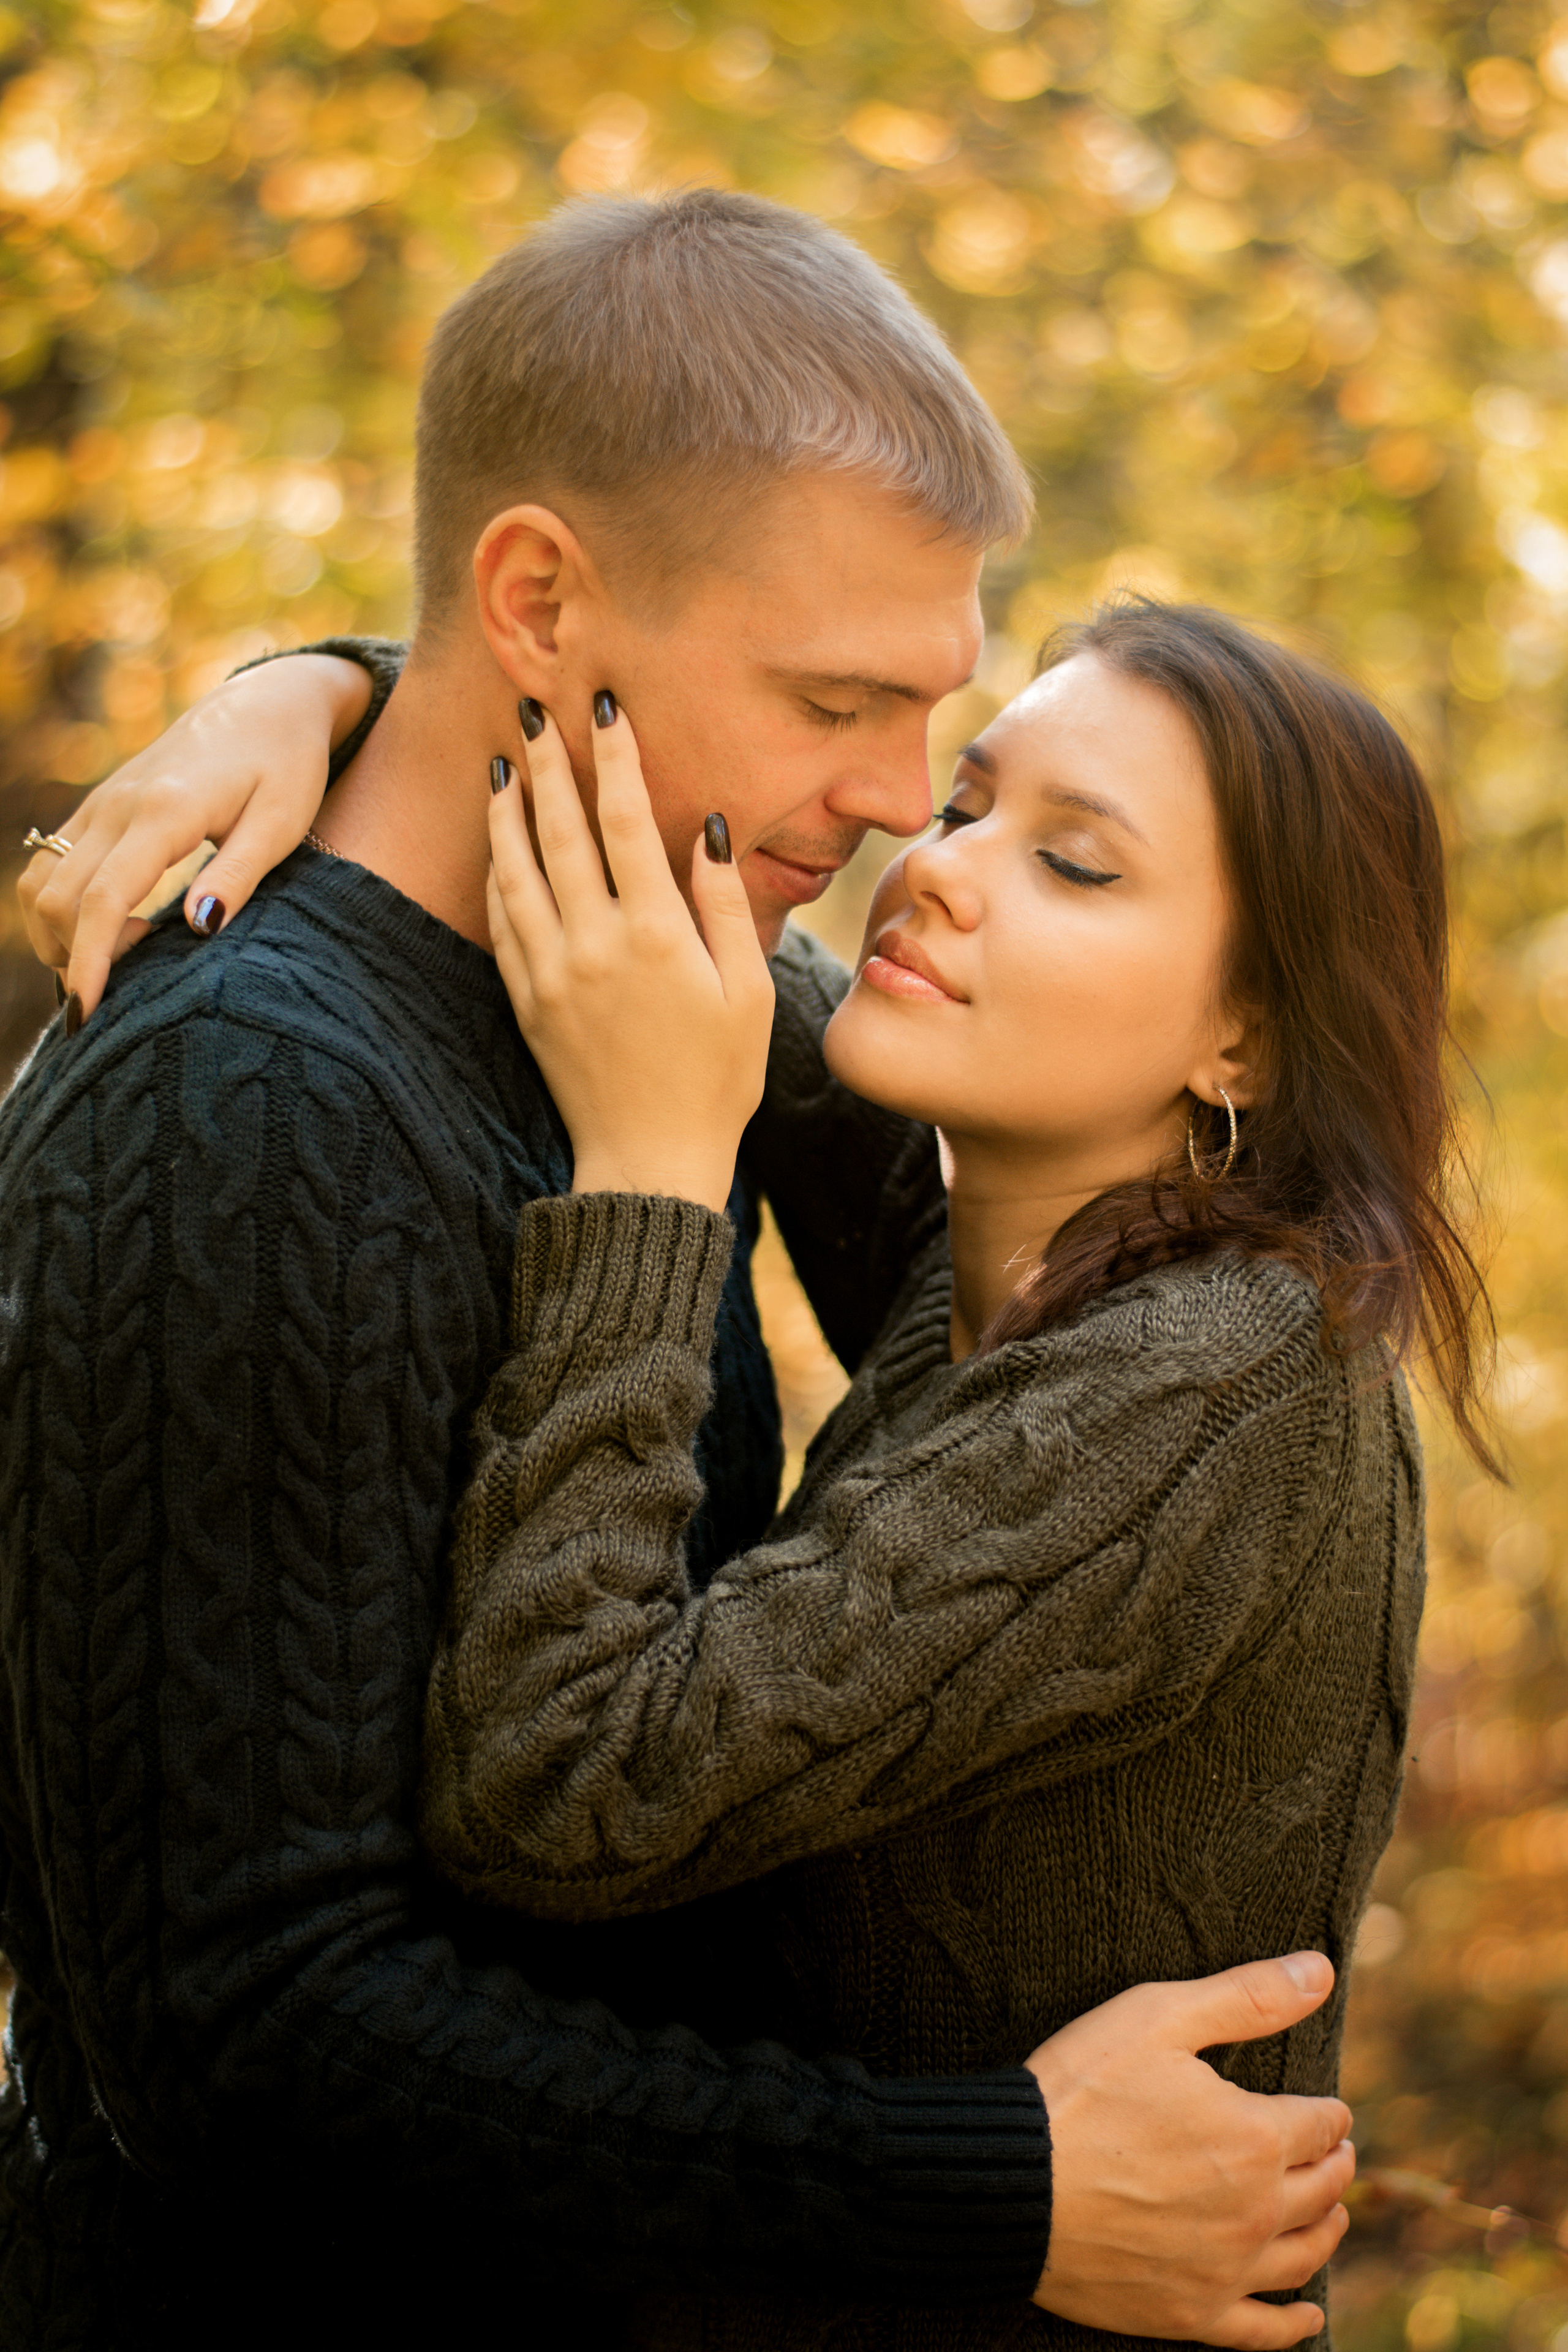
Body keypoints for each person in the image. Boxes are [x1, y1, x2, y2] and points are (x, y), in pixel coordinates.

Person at [6, 192, 1360, 2350]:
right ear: (537, 596)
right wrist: (977, 2191)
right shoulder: (239, 1115)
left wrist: (328, 685)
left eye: (932, 710)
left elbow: (1013, 1212)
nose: (902, 806)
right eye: (836, 697)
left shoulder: (650, 969)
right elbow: (244, 2036)